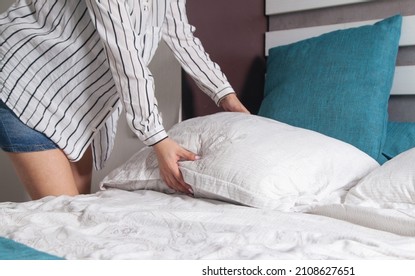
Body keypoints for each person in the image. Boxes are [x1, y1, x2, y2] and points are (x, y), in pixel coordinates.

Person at [0, 0, 249, 200]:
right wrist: (158, 139)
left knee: (76, 212)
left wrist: (225, 95)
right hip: (25, 83)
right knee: (63, 220)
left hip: (74, 108)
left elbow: (181, 35)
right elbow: (125, 56)